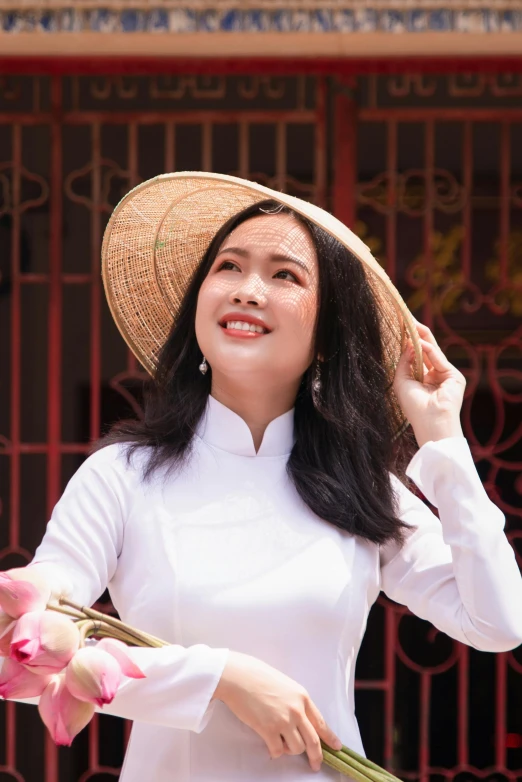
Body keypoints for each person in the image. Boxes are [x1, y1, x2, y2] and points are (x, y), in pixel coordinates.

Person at [16, 173, 522, 781]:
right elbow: (33, 653)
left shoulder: (362, 490)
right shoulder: (121, 478)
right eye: (228, 266)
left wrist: (443, 440)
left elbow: (499, 621)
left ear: (326, 337)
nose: (248, 290)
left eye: (286, 275)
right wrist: (224, 677)